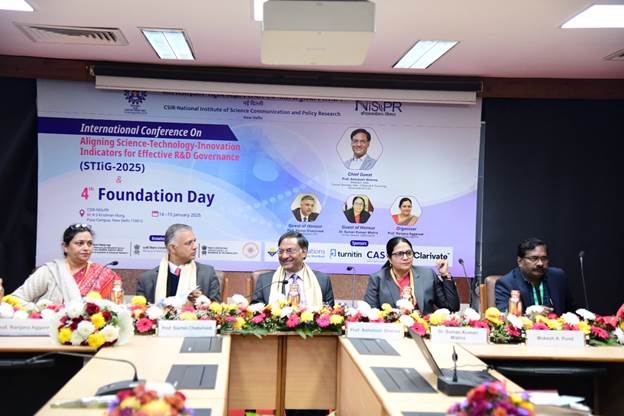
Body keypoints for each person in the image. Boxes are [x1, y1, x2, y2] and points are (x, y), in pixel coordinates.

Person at [12, 224, 120, 304]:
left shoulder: (103, 274)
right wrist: (39, 311)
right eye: (80, 243)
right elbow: (16, 299)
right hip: (50, 326)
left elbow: (113, 309)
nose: (86, 248)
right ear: (65, 246)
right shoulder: (50, 271)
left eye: (89, 243)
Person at [364, 237, 459, 313]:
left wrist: (445, 275)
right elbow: (371, 313)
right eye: (400, 254)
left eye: (408, 253)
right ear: (389, 258)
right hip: (391, 328)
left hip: (424, 327)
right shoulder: (378, 279)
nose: (405, 257)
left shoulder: (428, 275)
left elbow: (452, 307)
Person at [136, 224, 222, 304]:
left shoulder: (207, 274)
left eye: (194, 241)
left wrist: (202, 300)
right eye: (189, 243)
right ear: (172, 248)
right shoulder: (146, 280)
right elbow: (139, 312)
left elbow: (217, 309)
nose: (195, 247)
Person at [495, 237, 577, 315]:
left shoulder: (558, 277)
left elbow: (571, 311)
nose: (540, 263)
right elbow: (505, 317)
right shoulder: (506, 284)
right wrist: (530, 314)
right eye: (534, 258)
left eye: (544, 258)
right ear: (520, 261)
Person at [252, 231, 334, 307]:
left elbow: (330, 313)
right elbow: (255, 312)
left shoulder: (321, 280)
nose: (284, 256)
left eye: (289, 251)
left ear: (304, 252)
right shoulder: (265, 280)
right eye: (281, 251)